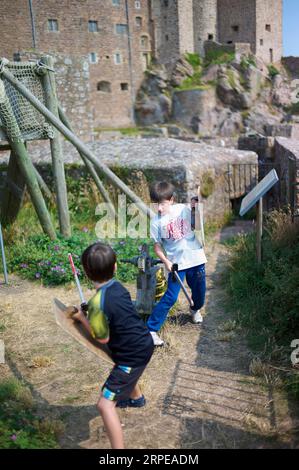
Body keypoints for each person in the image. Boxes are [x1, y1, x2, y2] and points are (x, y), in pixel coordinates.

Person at [72, 242, 154, 449]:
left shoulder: (97, 303)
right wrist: (92, 311)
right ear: (115, 267)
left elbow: (102, 339)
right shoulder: (117, 287)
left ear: (86, 272)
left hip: (131, 355)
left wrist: (83, 318)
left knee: (104, 404)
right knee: (119, 363)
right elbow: (116, 313)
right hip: (142, 341)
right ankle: (136, 399)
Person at [147, 181, 207, 347]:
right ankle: (151, 329)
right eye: (156, 204)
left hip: (196, 258)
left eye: (163, 204)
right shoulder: (155, 222)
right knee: (171, 296)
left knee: (199, 293)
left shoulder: (183, 210)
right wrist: (166, 261)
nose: (159, 208)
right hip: (176, 264)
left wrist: (196, 208)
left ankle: (195, 309)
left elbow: (197, 223)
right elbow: (157, 246)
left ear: (171, 200)